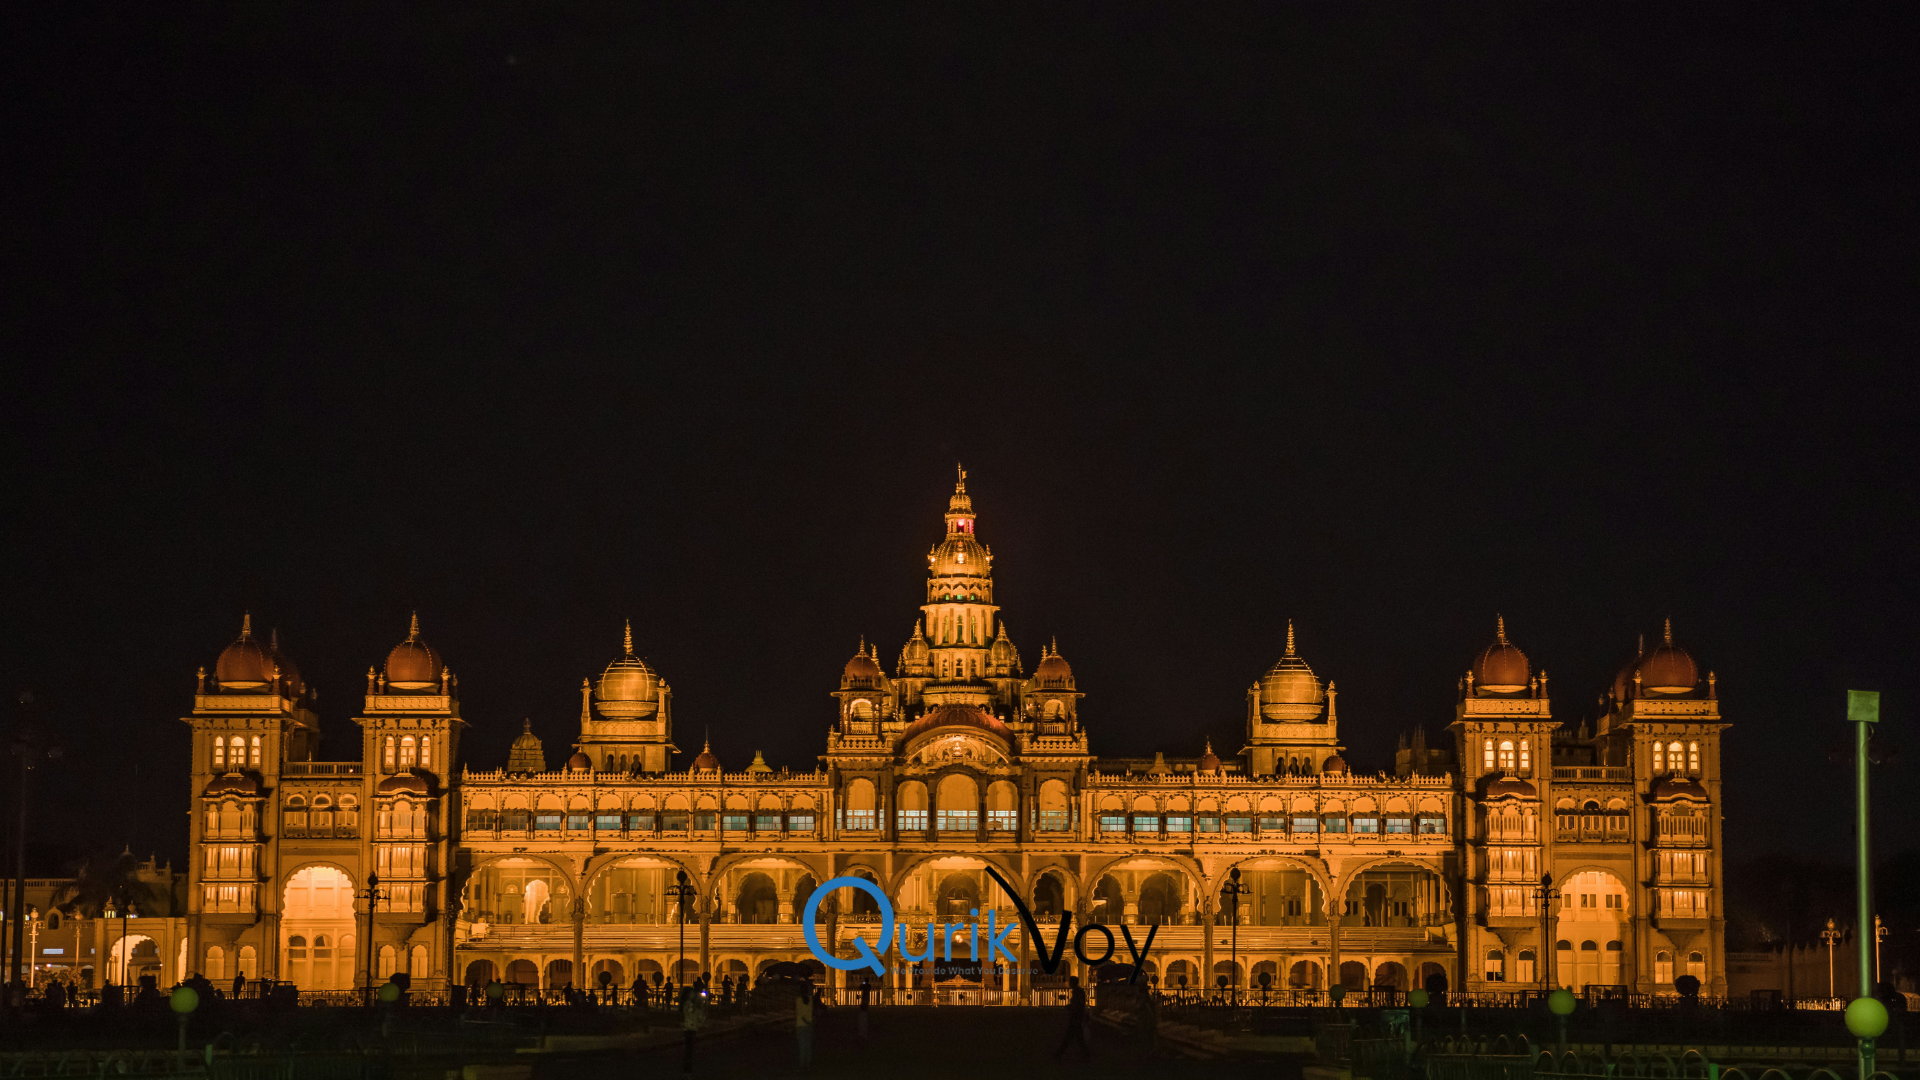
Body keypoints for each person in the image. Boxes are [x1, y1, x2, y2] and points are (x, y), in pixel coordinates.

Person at [1053, 975, 1091, 1061]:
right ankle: (1085, 1054)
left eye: (1070, 982)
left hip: (1076, 1017)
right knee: (1077, 1038)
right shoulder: (1079, 991)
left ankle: (1059, 1053)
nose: (1069, 984)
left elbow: (1077, 1005)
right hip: (1077, 1017)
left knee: (1071, 1037)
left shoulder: (1077, 992)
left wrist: (1069, 1007)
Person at [679, 980, 706, 1075]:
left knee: (690, 1050)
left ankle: (687, 1069)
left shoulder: (692, 1004)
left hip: (692, 1028)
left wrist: (700, 1006)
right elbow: (691, 1012)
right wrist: (698, 1004)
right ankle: (687, 1070)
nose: (693, 995)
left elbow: (700, 1017)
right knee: (689, 1050)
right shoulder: (688, 1004)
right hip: (689, 1028)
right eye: (691, 994)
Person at [795, 983, 815, 1071]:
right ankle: (807, 1064)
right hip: (809, 1025)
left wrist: (805, 1022)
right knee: (808, 1046)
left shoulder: (798, 1000)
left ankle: (802, 1064)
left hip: (800, 1025)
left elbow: (800, 1014)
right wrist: (810, 1023)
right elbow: (810, 1012)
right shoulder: (810, 999)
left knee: (802, 1047)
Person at [857, 976, 871, 1041]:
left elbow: (859, 988)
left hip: (864, 996)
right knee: (865, 1003)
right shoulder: (868, 985)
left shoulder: (866, 986)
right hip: (866, 997)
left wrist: (862, 984)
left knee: (864, 1002)